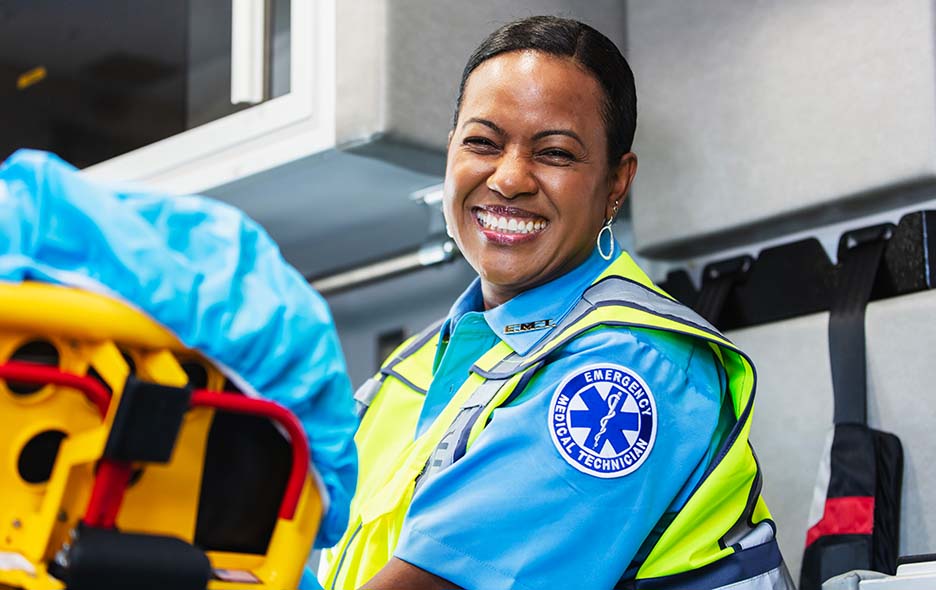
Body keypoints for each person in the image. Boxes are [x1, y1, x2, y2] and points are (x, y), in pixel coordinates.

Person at [321, 15, 794, 590]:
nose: (511, 177)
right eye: (482, 142)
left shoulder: (626, 365)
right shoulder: (406, 373)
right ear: (450, 153)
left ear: (617, 183)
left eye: (556, 153)